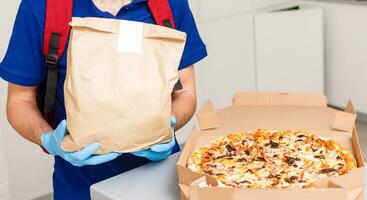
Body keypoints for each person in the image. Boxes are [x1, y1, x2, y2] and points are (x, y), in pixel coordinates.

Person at [0, 0, 207, 199]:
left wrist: (168, 126)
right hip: (82, 189)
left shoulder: (168, 4)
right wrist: (48, 138)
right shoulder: (42, 7)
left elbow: (185, 92)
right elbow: (20, 101)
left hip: (161, 183)